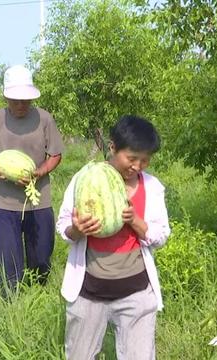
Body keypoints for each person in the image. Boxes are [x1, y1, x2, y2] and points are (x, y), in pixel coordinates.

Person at [56, 115, 171, 360]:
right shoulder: (84, 178)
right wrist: (76, 229)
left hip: (137, 293)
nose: (137, 166)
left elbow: (161, 236)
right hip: (89, 292)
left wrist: (136, 221)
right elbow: (63, 226)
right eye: (131, 158)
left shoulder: (151, 186)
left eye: (145, 160)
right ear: (112, 147)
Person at [0, 65, 64, 297]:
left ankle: (39, 295)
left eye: (25, 100)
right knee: (9, 256)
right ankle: (11, 302)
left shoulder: (45, 119)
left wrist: (38, 172)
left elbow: (56, 154)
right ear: (6, 96)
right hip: (4, 202)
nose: (21, 105)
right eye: (16, 100)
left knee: (41, 255)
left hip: (39, 200)